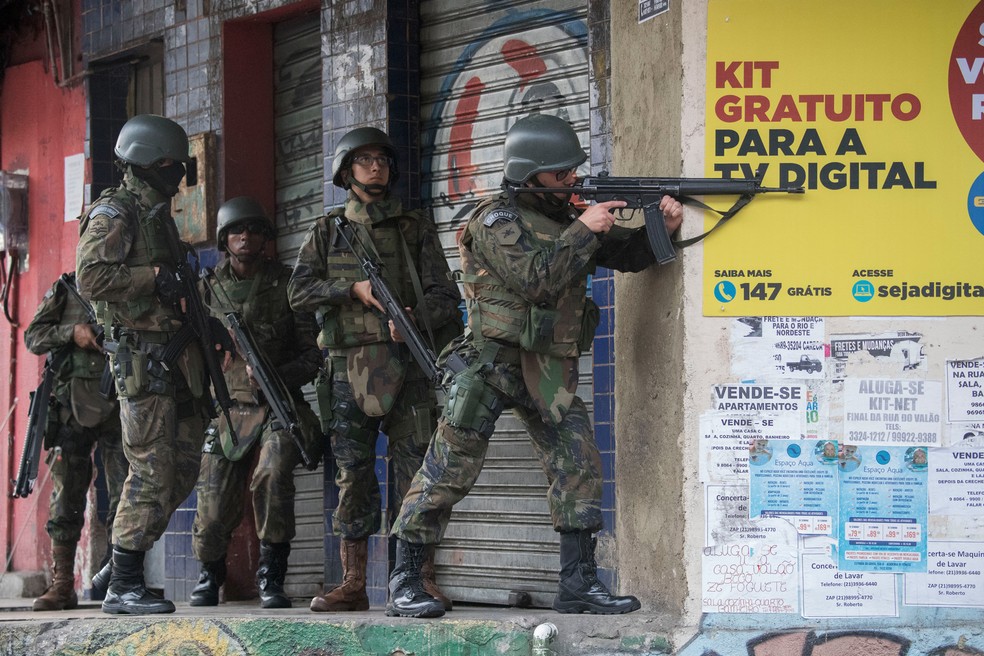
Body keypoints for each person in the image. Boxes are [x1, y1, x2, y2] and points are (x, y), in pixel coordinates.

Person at [387, 113, 684, 618]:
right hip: (490, 362)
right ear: (531, 173)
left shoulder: (568, 216)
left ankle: (578, 584)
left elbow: (630, 257)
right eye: (560, 171)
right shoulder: (496, 220)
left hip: (548, 366)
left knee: (579, 462)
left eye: (572, 169)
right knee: (449, 468)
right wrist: (585, 229)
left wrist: (665, 227)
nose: (572, 177)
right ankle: (405, 580)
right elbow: (536, 280)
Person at [288, 127, 462, 613]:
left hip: (408, 367)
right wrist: (352, 290)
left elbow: (447, 296)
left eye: (382, 159)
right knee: (353, 474)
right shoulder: (327, 232)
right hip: (348, 369)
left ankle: (417, 577)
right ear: (346, 171)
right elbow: (297, 294)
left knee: (416, 473)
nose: (375, 167)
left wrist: (414, 319)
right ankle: (353, 583)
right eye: (364, 160)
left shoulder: (414, 227)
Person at [76, 114, 222, 615]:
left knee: (182, 466)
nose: (176, 173)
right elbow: (91, 276)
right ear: (145, 163)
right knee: (149, 469)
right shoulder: (116, 213)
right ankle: (124, 584)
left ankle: (121, 565)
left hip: (175, 357)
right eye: (168, 165)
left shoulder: (156, 214)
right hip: (142, 359)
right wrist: (152, 277)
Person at [189, 196, 322, 609]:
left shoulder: (286, 284)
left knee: (272, 471)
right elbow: (191, 353)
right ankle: (210, 574)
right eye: (235, 231)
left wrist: (275, 375)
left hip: (278, 404)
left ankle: (271, 574)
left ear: (265, 238)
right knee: (211, 505)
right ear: (224, 239)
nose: (244, 237)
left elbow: (313, 355)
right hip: (229, 410)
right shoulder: (206, 289)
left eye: (252, 230)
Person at [24, 272, 128, 611]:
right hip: (71, 407)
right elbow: (33, 337)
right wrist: (73, 332)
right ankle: (63, 584)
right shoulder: (65, 289)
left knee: (125, 497)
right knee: (66, 494)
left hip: (121, 403)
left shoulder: (126, 282)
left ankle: (123, 582)